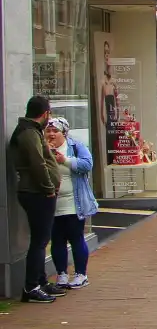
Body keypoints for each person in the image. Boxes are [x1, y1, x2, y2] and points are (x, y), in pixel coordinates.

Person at [8, 96, 64, 303]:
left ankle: (41, 281)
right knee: (39, 242)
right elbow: (37, 163)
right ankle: (31, 287)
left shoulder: (32, 131)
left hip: (38, 191)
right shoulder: (29, 133)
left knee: (42, 240)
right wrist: (48, 187)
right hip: (36, 192)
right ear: (45, 113)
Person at [45, 117, 98, 289]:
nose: (51, 134)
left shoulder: (75, 146)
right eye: (48, 131)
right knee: (57, 239)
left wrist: (65, 161)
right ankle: (61, 274)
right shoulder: (43, 147)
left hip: (73, 203)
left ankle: (81, 274)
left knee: (76, 237)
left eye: (55, 131)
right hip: (52, 203)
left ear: (64, 133)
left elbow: (87, 164)